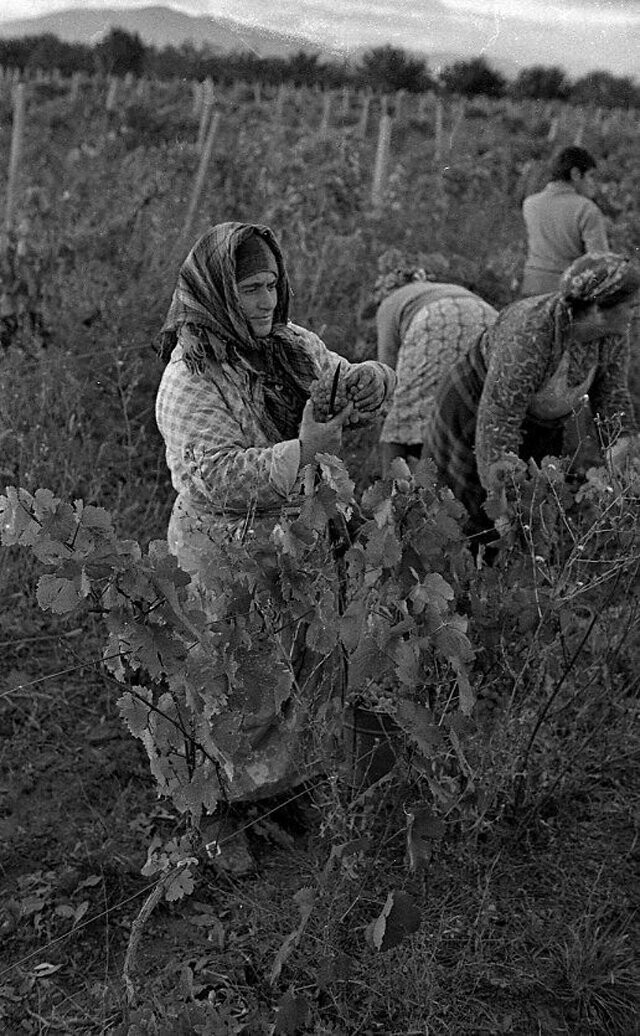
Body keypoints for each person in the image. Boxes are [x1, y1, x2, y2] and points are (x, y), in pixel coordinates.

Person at [154, 222, 395, 867]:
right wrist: (305, 452)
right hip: (226, 551)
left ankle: (277, 795)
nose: (264, 301)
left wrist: (371, 379)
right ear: (214, 293)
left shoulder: (290, 346)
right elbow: (208, 476)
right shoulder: (190, 376)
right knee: (237, 683)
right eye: (247, 288)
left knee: (299, 670)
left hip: (298, 541)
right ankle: (220, 812)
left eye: (270, 285)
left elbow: (341, 385)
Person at [423, 253, 640, 551]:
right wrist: (502, 503)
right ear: (598, 308)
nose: (635, 314)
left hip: (539, 422)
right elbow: (497, 424)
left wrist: (623, 457)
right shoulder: (532, 334)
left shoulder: (613, 333)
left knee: (537, 507)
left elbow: (612, 396)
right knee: (474, 519)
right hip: (476, 411)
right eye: (631, 307)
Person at [368, 262, 498, 475]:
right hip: (487, 317)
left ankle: (394, 494)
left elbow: (387, 372)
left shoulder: (389, 303)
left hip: (435, 320)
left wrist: (385, 413)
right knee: (475, 409)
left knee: (402, 420)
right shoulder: (438, 288)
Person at [521, 146, 609, 298]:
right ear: (575, 174)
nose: (593, 183)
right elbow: (599, 261)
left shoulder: (529, 204)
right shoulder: (586, 209)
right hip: (567, 291)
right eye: (590, 176)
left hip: (531, 287)